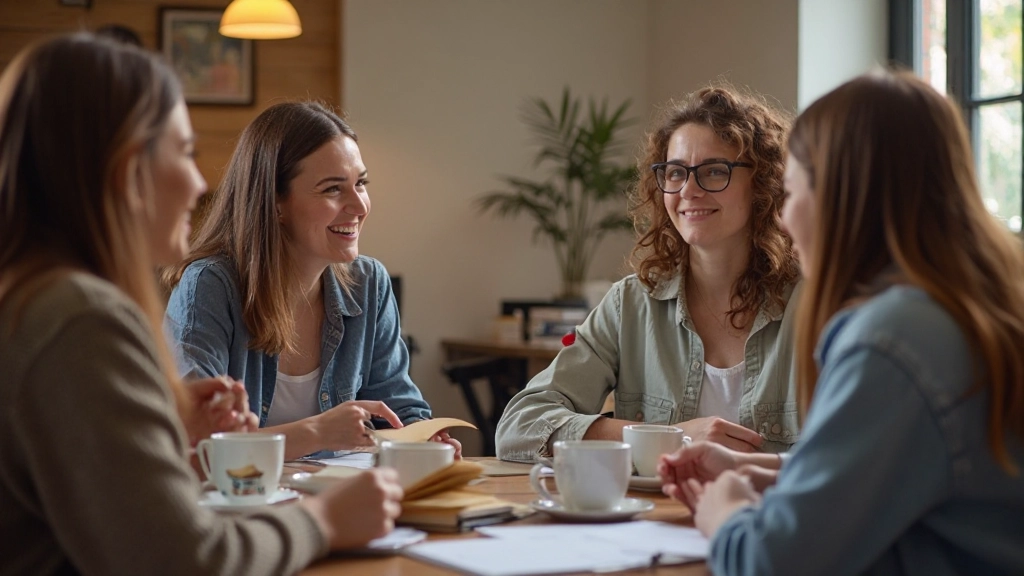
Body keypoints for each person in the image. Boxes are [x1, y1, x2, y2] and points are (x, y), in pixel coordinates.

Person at [0, 33, 402, 574]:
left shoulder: (34, 301)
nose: (198, 183)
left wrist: (172, 440)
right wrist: (326, 521)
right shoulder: (79, 320)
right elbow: (182, 558)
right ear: (126, 169)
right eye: (185, 153)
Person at [660, 70, 1024, 575]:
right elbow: (900, 472)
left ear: (845, 193)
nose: (784, 219)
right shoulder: (969, 307)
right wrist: (757, 469)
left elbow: (774, 565)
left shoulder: (891, 340)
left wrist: (725, 514)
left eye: (792, 190)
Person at [496, 85, 801, 462]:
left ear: (763, 184)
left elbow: (858, 459)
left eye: (714, 171)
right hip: (653, 520)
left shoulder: (815, 303)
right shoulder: (631, 304)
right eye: (675, 173)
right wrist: (668, 436)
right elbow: (519, 427)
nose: (689, 189)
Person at [164, 101, 460, 460]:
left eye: (361, 183)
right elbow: (195, 442)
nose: (359, 205)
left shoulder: (370, 283)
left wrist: (423, 440)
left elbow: (399, 409)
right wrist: (318, 432)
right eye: (333, 189)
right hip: (244, 504)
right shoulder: (209, 286)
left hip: (346, 502)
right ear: (275, 202)